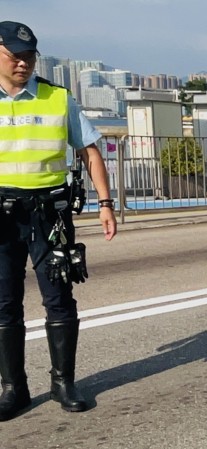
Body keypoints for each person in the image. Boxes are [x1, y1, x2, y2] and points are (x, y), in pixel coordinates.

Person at [0, 21, 118, 422]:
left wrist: (105, 203)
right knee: (3, 304)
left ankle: (62, 382)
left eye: (29, 56)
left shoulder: (57, 98)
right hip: (1, 214)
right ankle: (13, 388)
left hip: (49, 214)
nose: (23, 63)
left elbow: (90, 152)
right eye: (15, 55)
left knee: (59, 298)